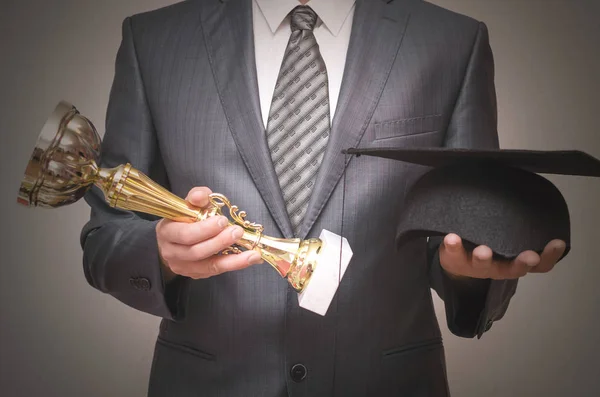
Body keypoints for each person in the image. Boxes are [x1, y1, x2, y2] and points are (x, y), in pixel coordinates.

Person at [80, 0, 566, 396]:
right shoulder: (154, 40)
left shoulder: (454, 42)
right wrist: (161, 256)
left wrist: (466, 274)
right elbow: (105, 238)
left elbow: (471, 230)